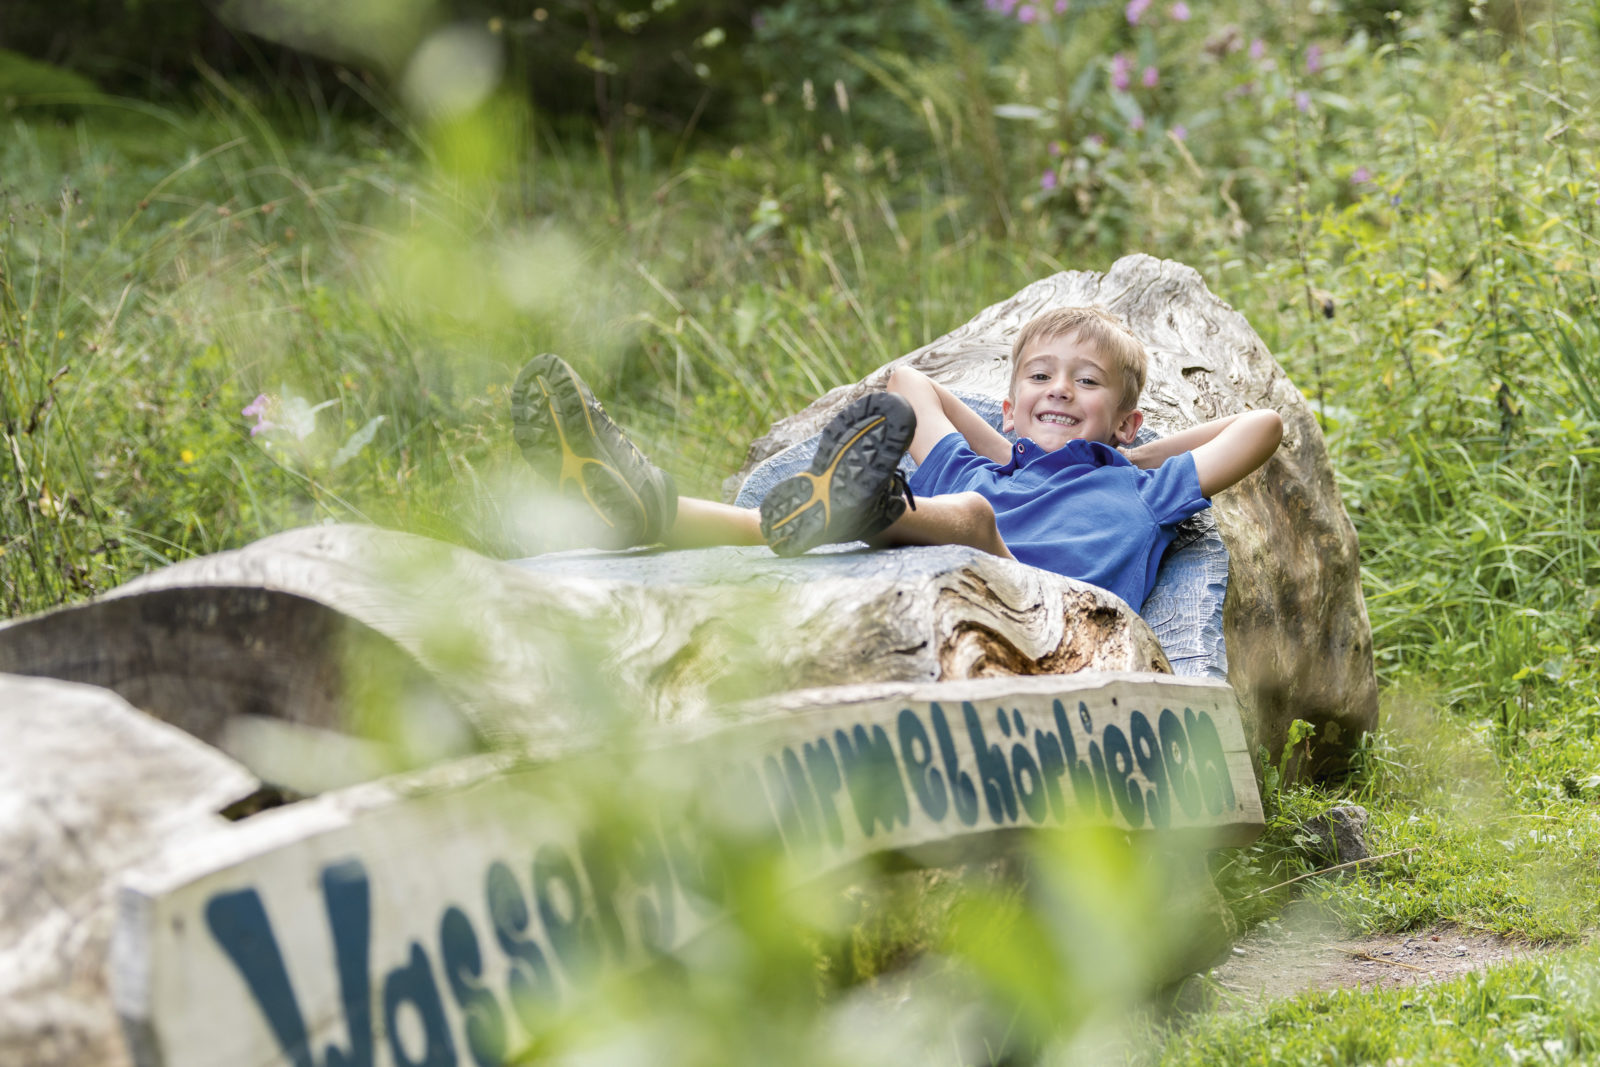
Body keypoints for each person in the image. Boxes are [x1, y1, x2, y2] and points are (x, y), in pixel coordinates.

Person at [510, 306, 1282, 611]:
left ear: (1123, 416)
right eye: (1040, 378)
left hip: (1056, 621)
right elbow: (908, 385)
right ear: (1010, 405)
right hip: (926, 580)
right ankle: (652, 507)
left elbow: (1261, 425)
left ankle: (873, 509)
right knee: (771, 526)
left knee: (972, 518)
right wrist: (1002, 439)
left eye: (1086, 383)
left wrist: (1127, 451)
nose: (1060, 390)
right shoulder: (981, 469)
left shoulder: (1142, 491)